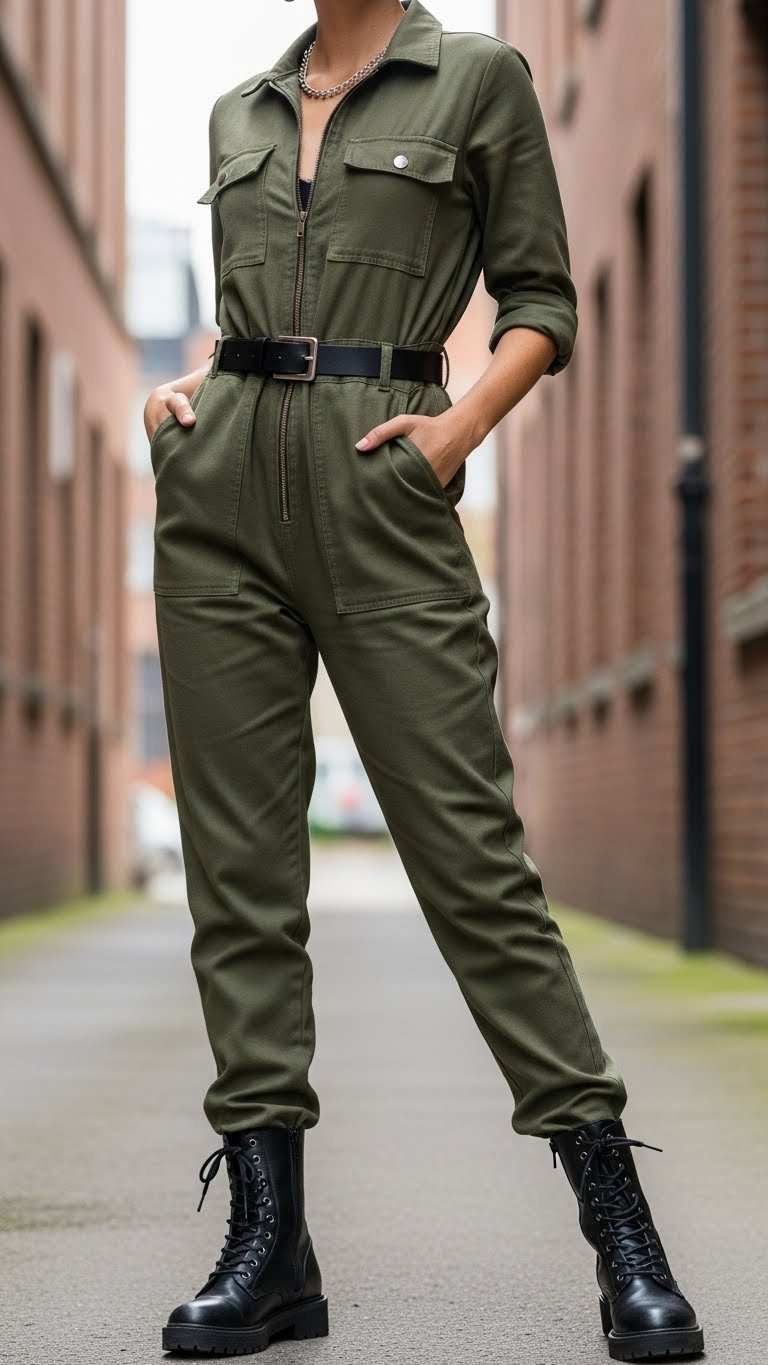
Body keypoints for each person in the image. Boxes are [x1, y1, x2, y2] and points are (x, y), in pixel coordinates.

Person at [146, 1, 704, 1358]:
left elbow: (542, 301)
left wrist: (454, 436)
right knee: (240, 878)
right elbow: (252, 313)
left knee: (475, 864)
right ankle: (268, 1243)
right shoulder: (239, 112)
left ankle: (620, 1224)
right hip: (218, 505)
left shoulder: (482, 80)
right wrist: (187, 385)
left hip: (384, 496)